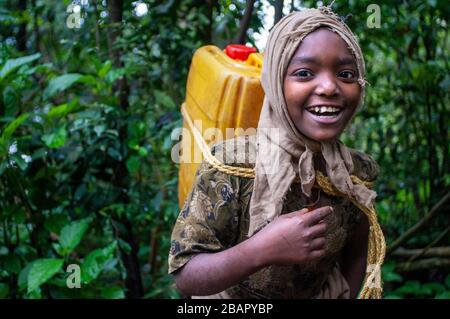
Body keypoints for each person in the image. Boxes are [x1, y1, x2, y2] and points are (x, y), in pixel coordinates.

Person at [168, 5, 384, 299]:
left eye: (346, 74)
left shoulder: (357, 174)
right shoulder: (231, 165)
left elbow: (357, 252)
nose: (330, 87)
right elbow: (186, 275)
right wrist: (261, 249)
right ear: (275, 82)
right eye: (305, 73)